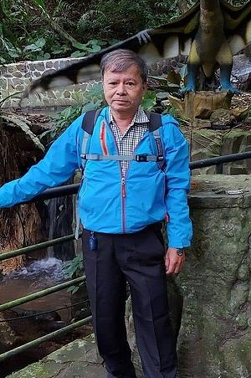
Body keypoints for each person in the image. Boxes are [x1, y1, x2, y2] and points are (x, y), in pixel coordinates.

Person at [0, 49, 192, 378]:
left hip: (143, 241)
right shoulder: (86, 129)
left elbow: (177, 189)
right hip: (97, 243)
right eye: (113, 82)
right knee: (105, 321)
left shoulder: (163, 132)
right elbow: (44, 174)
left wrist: (177, 242)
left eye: (130, 83)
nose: (121, 90)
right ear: (103, 84)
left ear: (143, 87)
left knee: (154, 319)